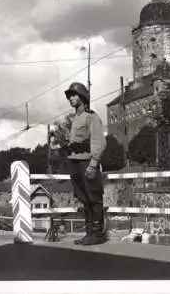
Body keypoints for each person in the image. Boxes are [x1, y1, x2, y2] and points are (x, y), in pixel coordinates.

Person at [63, 82, 107, 246]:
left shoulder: (91, 117)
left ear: (82, 97)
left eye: (73, 95)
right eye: (69, 96)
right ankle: (89, 232)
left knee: (94, 197)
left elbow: (99, 142)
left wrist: (93, 164)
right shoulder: (75, 119)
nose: (71, 99)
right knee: (84, 198)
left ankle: (97, 233)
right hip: (75, 163)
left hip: (86, 162)